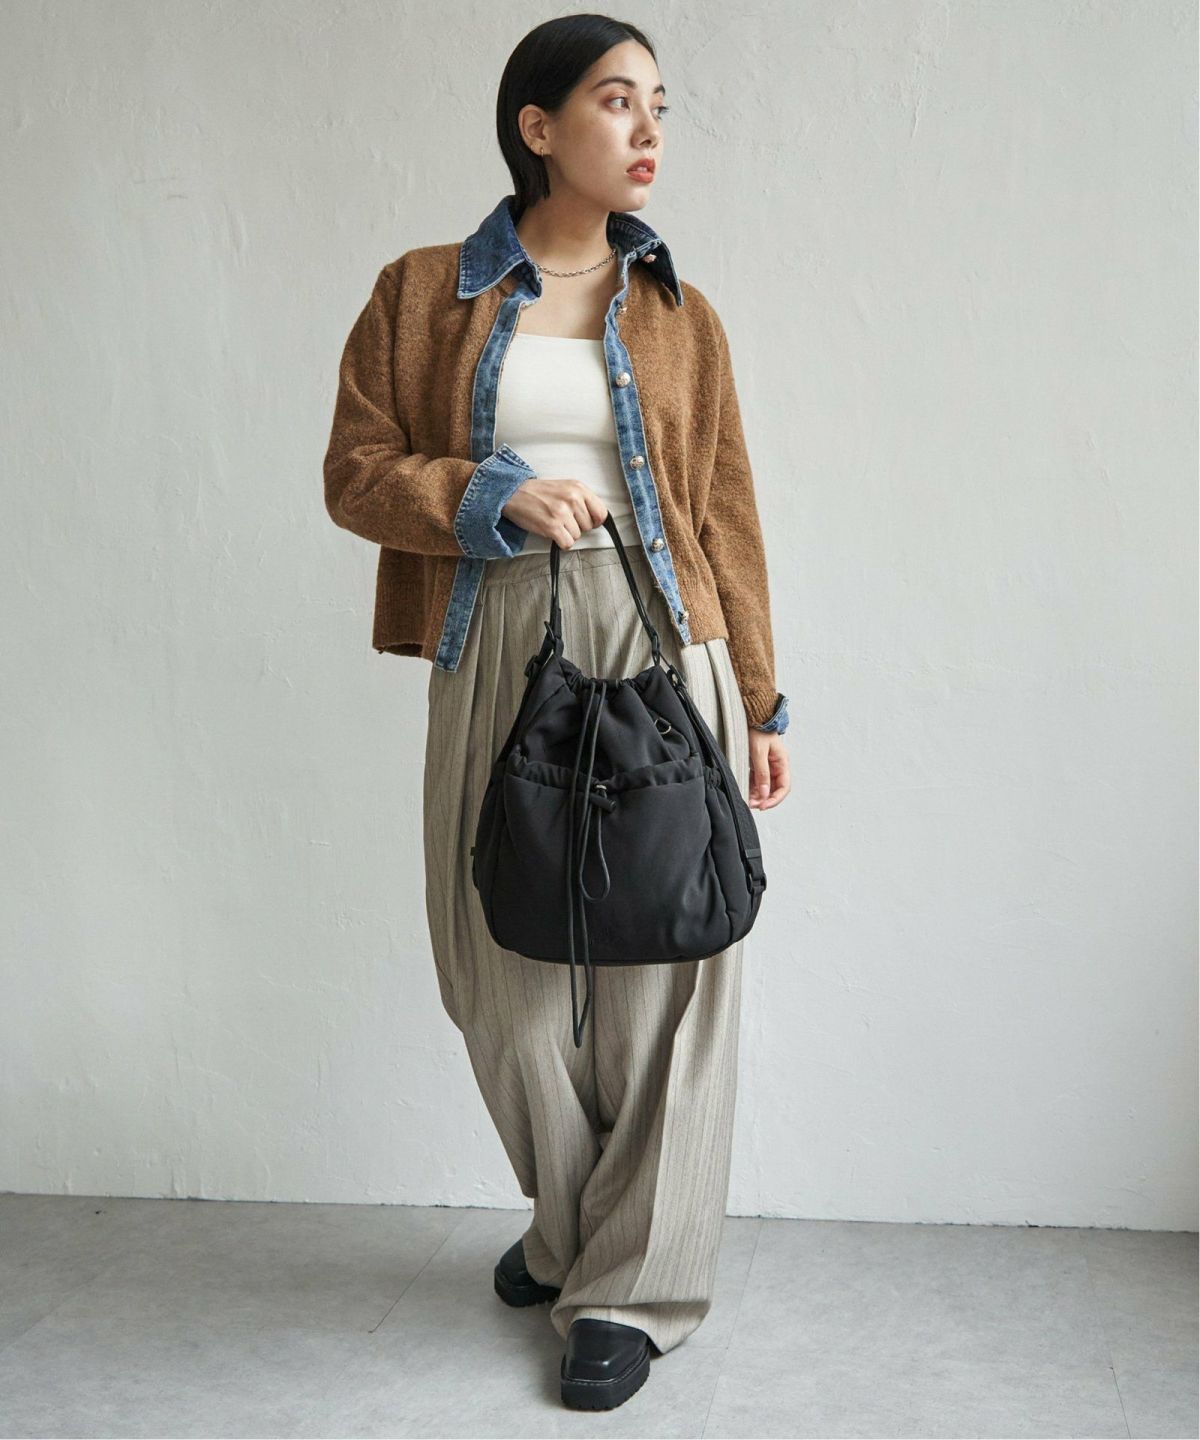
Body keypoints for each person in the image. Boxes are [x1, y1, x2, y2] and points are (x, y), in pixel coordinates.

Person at [323, 13, 791, 1412]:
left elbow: (726, 513)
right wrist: (491, 494)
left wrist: (763, 699)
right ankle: (573, 1228)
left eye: (660, 105)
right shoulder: (421, 293)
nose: (648, 130)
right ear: (537, 126)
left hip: (661, 632)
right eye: (614, 100)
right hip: (495, 628)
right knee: (498, 965)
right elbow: (356, 472)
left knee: (668, 960)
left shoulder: (683, 316)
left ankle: (631, 1288)